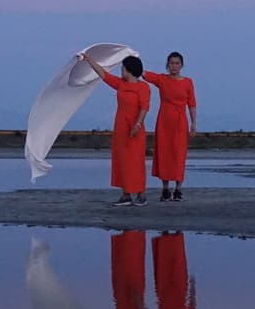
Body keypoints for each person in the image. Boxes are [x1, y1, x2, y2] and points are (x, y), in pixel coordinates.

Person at [79, 50, 150, 206]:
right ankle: (126, 195)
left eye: (123, 68)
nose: (121, 71)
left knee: (136, 161)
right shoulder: (120, 84)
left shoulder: (143, 87)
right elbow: (103, 75)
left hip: (135, 127)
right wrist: (89, 60)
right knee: (122, 160)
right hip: (121, 127)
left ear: (130, 69)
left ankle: (141, 194)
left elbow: (144, 107)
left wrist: (138, 124)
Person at [142, 51, 197, 201]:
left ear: (181, 65)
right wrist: (131, 57)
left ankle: (178, 189)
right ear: (168, 65)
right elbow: (144, 74)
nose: (174, 66)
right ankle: (165, 189)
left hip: (180, 122)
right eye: (172, 63)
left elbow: (191, 104)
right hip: (164, 121)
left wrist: (193, 123)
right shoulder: (162, 79)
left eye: (177, 63)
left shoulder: (187, 82)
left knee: (179, 155)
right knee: (164, 154)